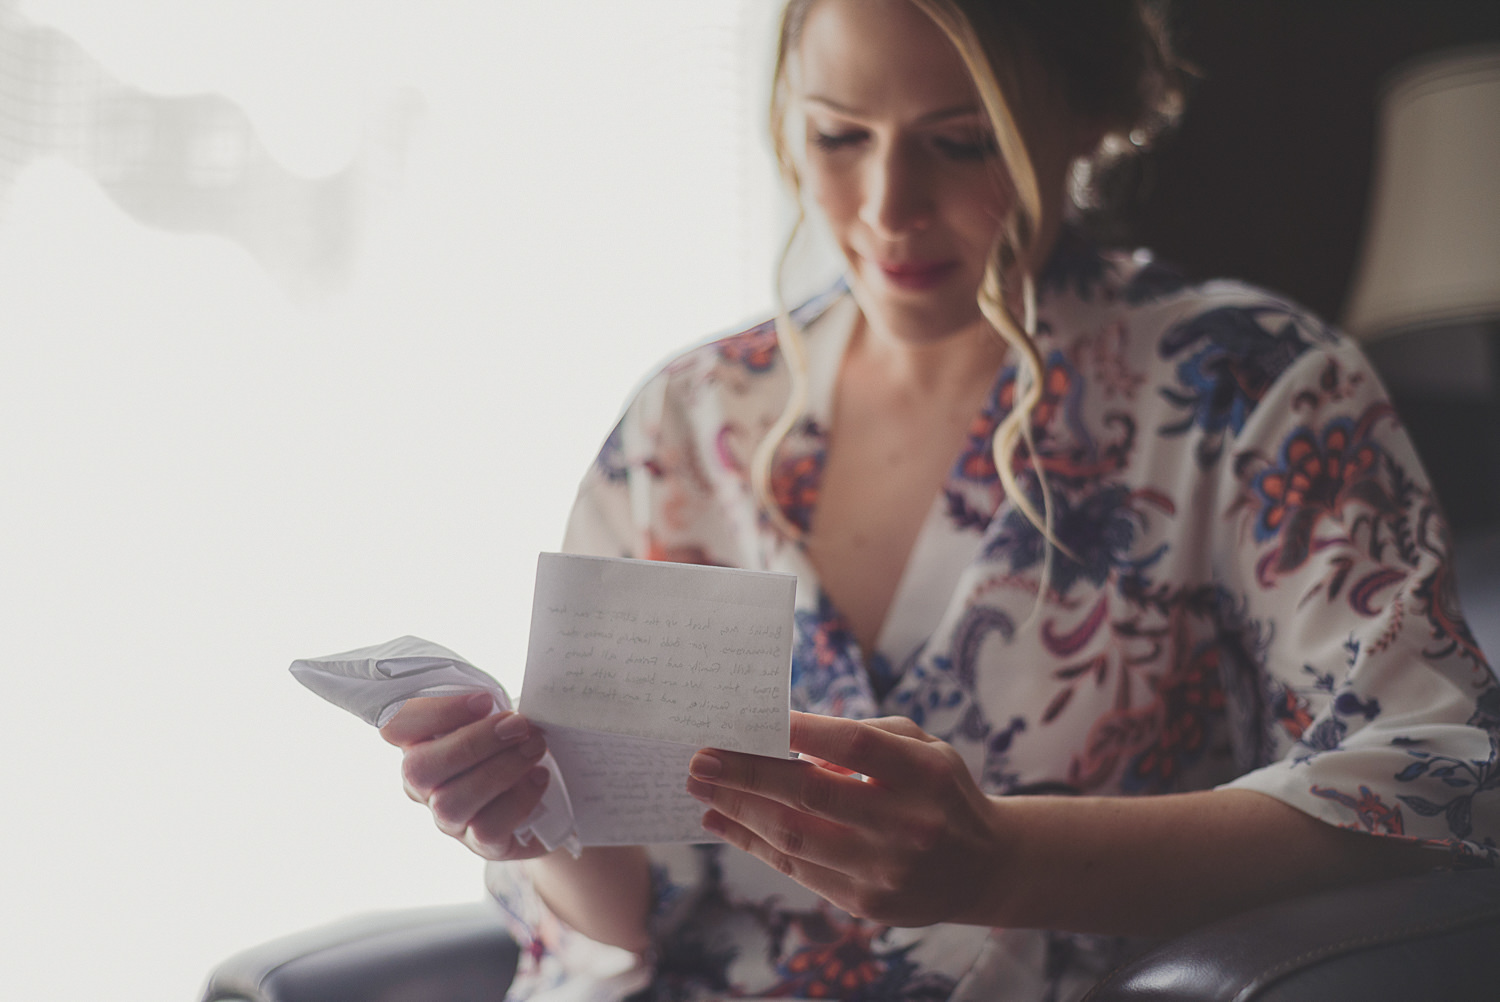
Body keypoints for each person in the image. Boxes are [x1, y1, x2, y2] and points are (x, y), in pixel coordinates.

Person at [380, 1, 1500, 998]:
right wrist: (532, 815)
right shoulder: (692, 421)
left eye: (962, 143)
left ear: (1089, 118)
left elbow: (1438, 784)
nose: (886, 206)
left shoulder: (1256, 391)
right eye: (836, 136)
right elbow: (623, 917)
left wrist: (1008, 861)